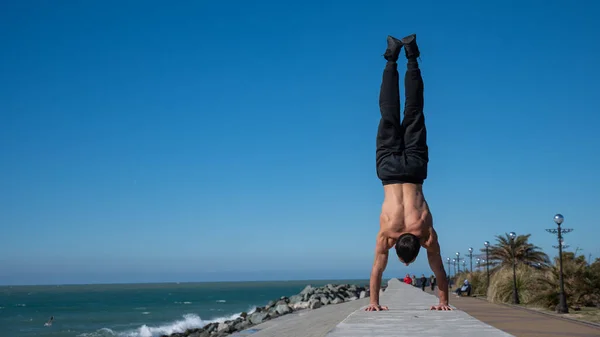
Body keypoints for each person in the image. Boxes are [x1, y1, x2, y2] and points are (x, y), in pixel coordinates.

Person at [365, 34, 451, 312]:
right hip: (389, 170)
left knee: (414, 111)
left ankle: (411, 56)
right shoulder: (387, 235)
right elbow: (377, 270)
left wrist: (443, 301)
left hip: (414, 169)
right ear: (399, 252)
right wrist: (374, 302)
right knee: (388, 112)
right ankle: (391, 57)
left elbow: (438, 272)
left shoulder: (425, 233)